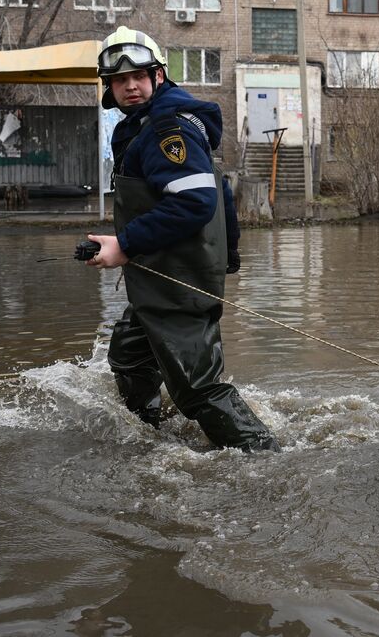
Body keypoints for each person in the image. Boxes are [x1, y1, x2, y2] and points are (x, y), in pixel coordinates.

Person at [84, 27, 277, 452]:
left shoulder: (165, 127)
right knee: (130, 354)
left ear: (159, 76)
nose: (130, 86)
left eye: (140, 75)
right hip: (164, 271)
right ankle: (149, 435)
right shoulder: (147, 124)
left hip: (177, 276)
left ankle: (270, 463)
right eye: (119, 80)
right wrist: (227, 255)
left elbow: (195, 201)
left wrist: (125, 244)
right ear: (109, 87)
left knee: (197, 389)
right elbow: (221, 190)